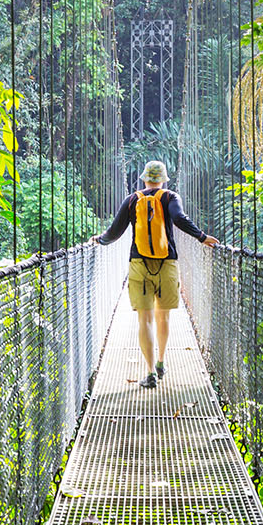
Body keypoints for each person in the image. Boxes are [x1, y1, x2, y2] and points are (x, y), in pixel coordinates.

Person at [92, 160, 218, 388]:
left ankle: (149, 372)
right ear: (163, 179)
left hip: (139, 263)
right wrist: (201, 236)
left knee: (145, 319)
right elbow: (179, 219)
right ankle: (161, 362)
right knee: (163, 317)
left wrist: (100, 240)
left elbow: (115, 232)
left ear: (144, 179)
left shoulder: (132, 200)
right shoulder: (170, 197)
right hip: (167, 263)